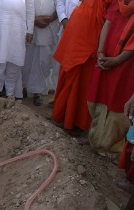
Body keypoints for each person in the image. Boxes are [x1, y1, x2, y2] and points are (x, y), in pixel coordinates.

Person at [52, 0, 112, 137]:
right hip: (86, 30)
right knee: (78, 78)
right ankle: (69, 120)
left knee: (81, 79)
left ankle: (70, 119)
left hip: (86, 25)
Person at [88, 0, 134, 158]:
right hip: (107, 57)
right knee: (101, 95)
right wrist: (101, 53)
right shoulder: (118, 2)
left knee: (117, 101)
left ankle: (112, 146)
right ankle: (96, 139)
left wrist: (117, 60)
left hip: (127, 64)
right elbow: (108, 22)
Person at [0, 0, 35, 101]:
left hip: (18, 29)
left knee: (15, 61)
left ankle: (10, 95)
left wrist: (30, 30)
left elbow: (30, 8)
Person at [22, 0, 59, 106]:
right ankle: (22, 86)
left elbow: (61, 4)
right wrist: (33, 19)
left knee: (43, 62)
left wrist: (51, 18)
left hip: (50, 26)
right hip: (28, 27)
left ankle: (37, 92)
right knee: (26, 59)